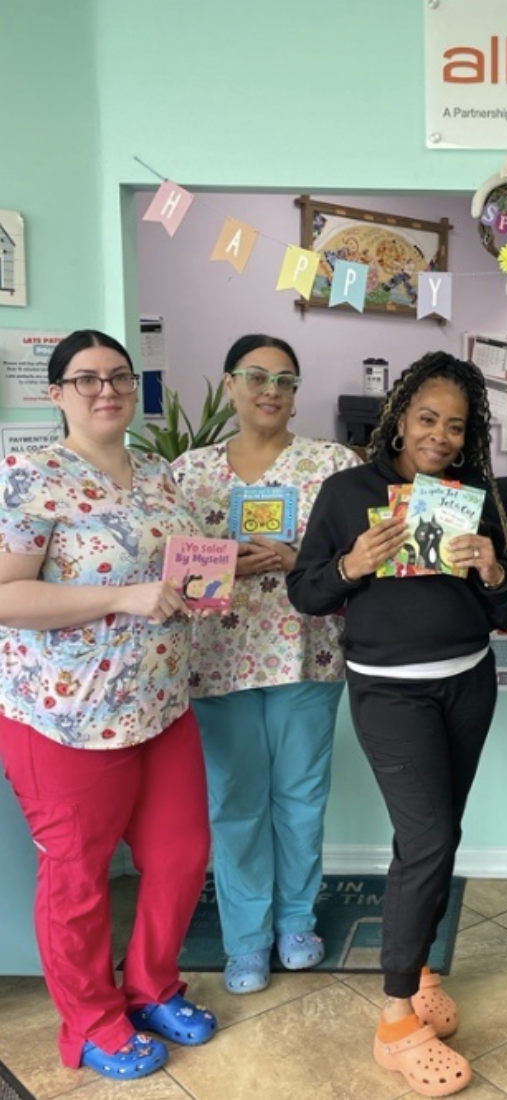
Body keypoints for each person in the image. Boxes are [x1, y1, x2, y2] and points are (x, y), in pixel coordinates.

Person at [287, 351, 507, 1098]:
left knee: (434, 836)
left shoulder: (471, 493)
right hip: (390, 693)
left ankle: (417, 971)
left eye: (454, 426)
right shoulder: (347, 492)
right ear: (398, 418)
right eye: (427, 419)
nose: (439, 437)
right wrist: (352, 564)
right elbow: (305, 592)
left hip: (469, 683)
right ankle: (395, 1021)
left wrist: (493, 569)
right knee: (428, 841)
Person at [0, 330, 216, 1080]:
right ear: (56, 393)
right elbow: (6, 596)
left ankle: (152, 987)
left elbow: (172, 575)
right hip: (67, 716)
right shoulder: (29, 477)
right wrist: (123, 596)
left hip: (160, 705)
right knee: (78, 877)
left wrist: (208, 581)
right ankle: (91, 1022)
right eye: (86, 379)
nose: (106, 390)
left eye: (119, 376)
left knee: (181, 855)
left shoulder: (159, 475)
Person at [171, 335, 361, 994]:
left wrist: (294, 561)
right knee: (235, 802)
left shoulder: (332, 464)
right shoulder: (188, 472)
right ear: (229, 385)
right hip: (217, 660)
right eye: (256, 377)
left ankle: (296, 922)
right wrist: (223, 563)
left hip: (305, 653)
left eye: (285, 380)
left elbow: (354, 556)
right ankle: (246, 940)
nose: (271, 390)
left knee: (301, 798)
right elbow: (171, 569)